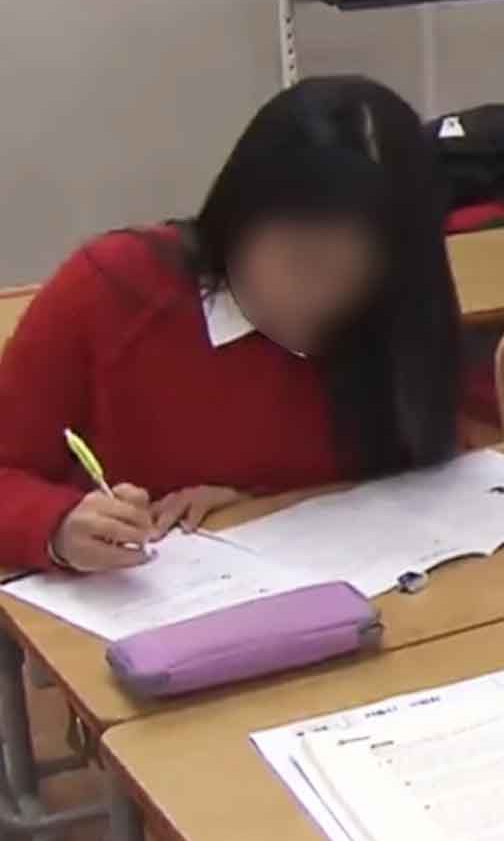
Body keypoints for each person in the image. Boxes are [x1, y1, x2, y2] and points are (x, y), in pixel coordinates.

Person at [0, 76, 462, 573]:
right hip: (131, 600)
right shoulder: (114, 290)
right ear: (240, 215)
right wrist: (57, 527)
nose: (322, 299)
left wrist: (260, 508)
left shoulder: (391, 317)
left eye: (357, 277)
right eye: (301, 262)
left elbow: (432, 474)